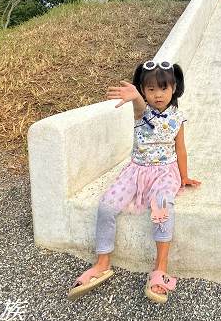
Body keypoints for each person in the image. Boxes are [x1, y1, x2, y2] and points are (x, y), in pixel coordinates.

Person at [67, 59, 202, 303]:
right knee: (107, 205)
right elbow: (140, 108)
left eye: (163, 88)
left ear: (174, 88)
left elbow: (180, 149)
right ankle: (102, 263)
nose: (158, 95)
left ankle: (160, 267)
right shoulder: (143, 113)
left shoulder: (178, 118)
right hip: (136, 171)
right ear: (143, 91)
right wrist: (137, 97)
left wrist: (184, 176)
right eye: (150, 89)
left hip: (164, 172)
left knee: (162, 205)